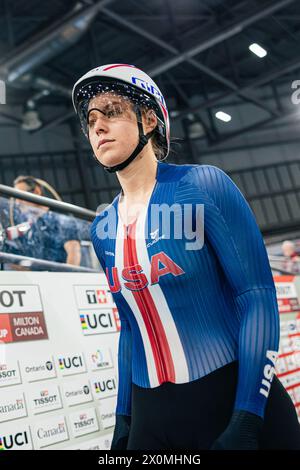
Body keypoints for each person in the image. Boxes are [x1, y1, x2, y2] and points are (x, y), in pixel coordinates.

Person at [72, 64, 300, 450]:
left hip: (232, 399)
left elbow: (256, 296)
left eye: (111, 111)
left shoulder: (203, 185)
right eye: (91, 119)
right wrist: (123, 420)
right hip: (151, 414)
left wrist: (247, 417)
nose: (98, 126)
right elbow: (130, 328)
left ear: (149, 120)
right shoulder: (101, 228)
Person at [10, 175, 81, 266]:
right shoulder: (32, 226)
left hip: (59, 277)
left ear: (36, 191)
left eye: (20, 196)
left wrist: (69, 279)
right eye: (16, 198)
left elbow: (73, 251)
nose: (17, 202)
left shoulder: (60, 217)